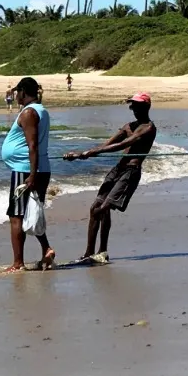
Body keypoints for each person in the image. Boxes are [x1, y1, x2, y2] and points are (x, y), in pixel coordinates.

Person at [64, 92, 158, 264]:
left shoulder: (148, 128)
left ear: (146, 107)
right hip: (118, 169)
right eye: (132, 105)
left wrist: (93, 152)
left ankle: (102, 251)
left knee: (102, 209)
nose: (133, 108)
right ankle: (90, 253)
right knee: (96, 207)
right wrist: (80, 154)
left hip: (131, 171)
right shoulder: (128, 125)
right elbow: (108, 143)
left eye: (136, 105)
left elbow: (124, 144)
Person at [2, 76, 54, 271]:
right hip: (37, 168)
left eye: (17, 92)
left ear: (23, 92)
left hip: (26, 169)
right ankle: (46, 249)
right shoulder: (40, 110)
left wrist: (31, 175)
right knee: (33, 211)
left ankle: (18, 263)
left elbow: (32, 146)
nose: (15, 95)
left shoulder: (29, 112)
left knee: (16, 216)